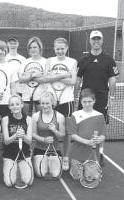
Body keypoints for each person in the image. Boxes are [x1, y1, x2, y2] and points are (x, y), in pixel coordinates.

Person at [74, 30, 119, 165]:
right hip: (85, 99)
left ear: (102, 41)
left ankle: (100, 153)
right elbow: (77, 79)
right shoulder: (83, 60)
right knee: (82, 125)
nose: (96, 41)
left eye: (98, 39)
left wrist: (112, 97)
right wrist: (75, 96)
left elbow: (112, 80)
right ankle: (82, 151)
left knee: (100, 127)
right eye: (94, 39)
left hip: (101, 99)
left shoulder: (109, 60)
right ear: (90, 41)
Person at [45, 37, 77, 171]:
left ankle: (66, 158)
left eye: (62, 49)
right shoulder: (49, 61)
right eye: (57, 49)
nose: (60, 51)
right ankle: (52, 154)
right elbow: (46, 78)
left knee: (68, 132)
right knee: (51, 128)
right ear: (54, 48)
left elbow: (73, 81)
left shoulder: (73, 62)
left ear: (66, 48)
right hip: (51, 99)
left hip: (66, 100)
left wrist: (55, 76)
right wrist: (65, 75)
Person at [67, 88, 106, 181]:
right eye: (84, 102)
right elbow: (72, 135)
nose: (87, 104)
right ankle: (74, 168)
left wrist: (99, 139)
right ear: (81, 102)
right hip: (77, 154)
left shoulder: (100, 116)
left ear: (94, 101)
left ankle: (90, 168)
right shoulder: (75, 115)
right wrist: (87, 142)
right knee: (77, 178)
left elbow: (103, 135)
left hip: (92, 155)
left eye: (90, 101)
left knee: (91, 178)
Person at [2, 95, 33, 189]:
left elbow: (29, 141)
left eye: (17, 104)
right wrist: (15, 135)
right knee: (9, 183)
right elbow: (6, 141)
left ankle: (20, 166)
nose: (15, 106)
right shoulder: (5, 119)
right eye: (12, 105)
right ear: (9, 107)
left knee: (29, 182)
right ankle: (11, 166)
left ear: (22, 105)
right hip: (9, 155)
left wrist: (23, 136)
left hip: (24, 154)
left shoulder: (28, 119)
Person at [32, 91, 65, 178]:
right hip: (39, 149)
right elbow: (33, 135)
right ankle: (43, 161)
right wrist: (44, 140)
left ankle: (51, 161)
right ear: (40, 103)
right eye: (43, 103)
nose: (45, 106)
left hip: (55, 149)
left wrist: (55, 131)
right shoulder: (35, 116)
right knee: (41, 174)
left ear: (52, 103)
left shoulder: (60, 117)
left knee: (56, 174)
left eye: (47, 103)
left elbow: (62, 137)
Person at [18, 36, 47, 116]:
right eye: (30, 47)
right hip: (26, 97)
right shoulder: (24, 62)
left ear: (40, 48)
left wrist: (28, 76)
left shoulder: (46, 62)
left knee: (41, 121)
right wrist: (35, 75)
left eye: (35, 47)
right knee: (27, 122)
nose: (32, 49)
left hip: (41, 97)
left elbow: (45, 80)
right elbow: (21, 79)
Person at [6, 34, 26, 102]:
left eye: (14, 43)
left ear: (18, 44)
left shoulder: (23, 59)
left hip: (21, 90)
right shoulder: (4, 58)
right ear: (7, 44)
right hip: (8, 90)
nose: (12, 45)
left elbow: (24, 75)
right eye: (11, 43)